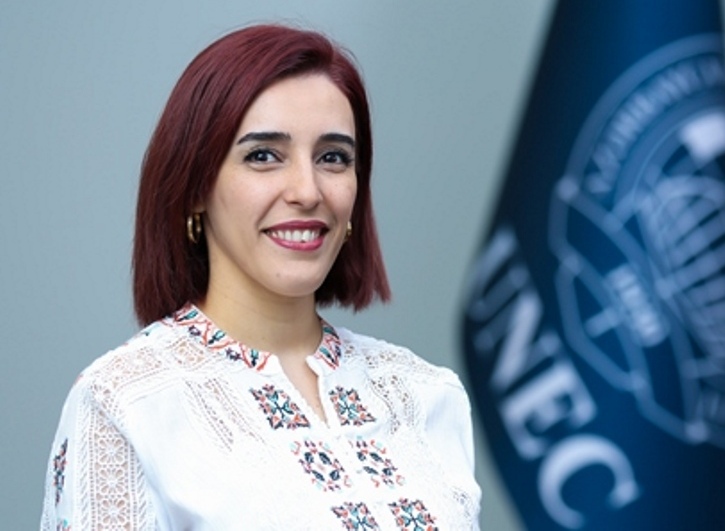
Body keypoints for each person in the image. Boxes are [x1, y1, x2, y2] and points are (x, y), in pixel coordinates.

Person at [40, 24, 481, 530]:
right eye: (263, 156)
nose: (307, 191)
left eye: (333, 157)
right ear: (195, 188)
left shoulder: (425, 394)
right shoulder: (128, 403)